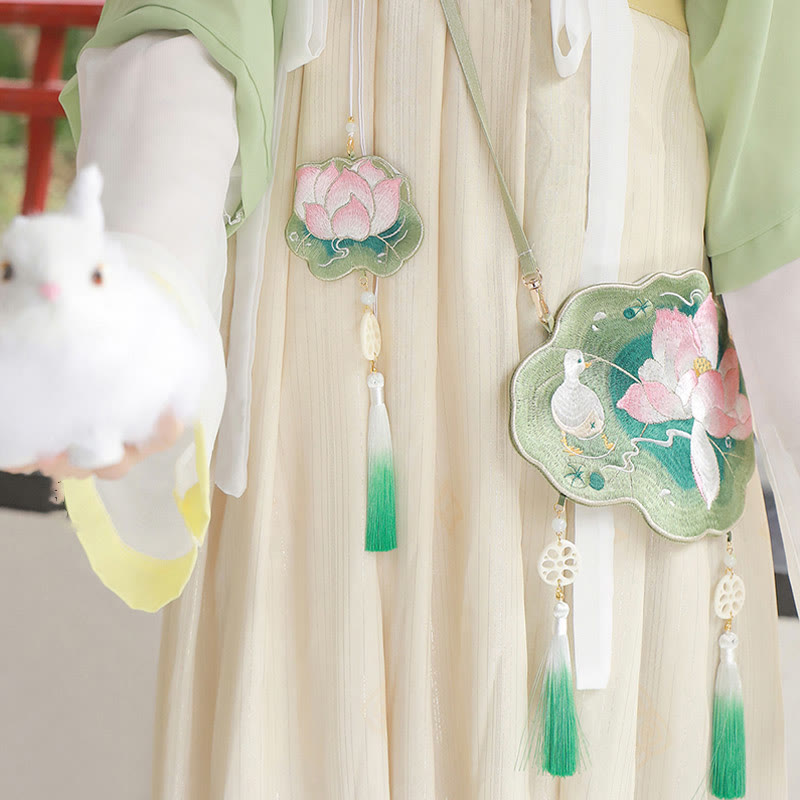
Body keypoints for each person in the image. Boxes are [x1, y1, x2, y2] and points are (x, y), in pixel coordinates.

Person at [10, 0, 796, 797]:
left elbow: (773, 139)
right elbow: (192, 20)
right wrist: (139, 300)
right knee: (324, 675)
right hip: (323, 324)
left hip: (614, 234)